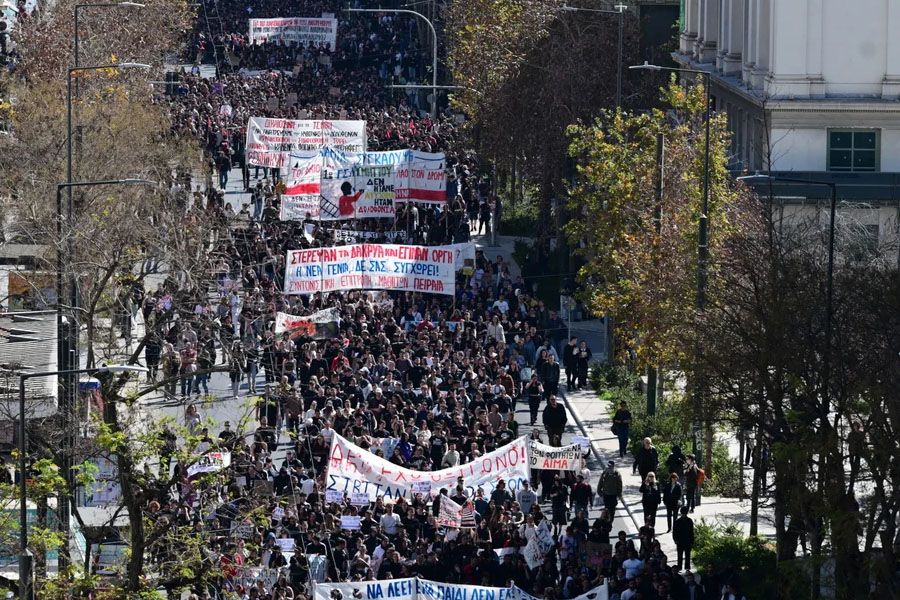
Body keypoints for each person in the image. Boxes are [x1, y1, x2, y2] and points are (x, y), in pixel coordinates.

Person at [673, 506, 694, 571]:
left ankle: (687, 567)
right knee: (680, 555)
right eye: (683, 513)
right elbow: (674, 532)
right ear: (681, 513)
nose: (684, 515)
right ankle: (679, 567)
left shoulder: (689, 521)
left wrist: (692, 541)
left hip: (687, 540)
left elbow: (691, 532)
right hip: (680, 541)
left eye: (685, 513)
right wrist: (675, 540)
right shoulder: (677, 521)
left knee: (687, 555)